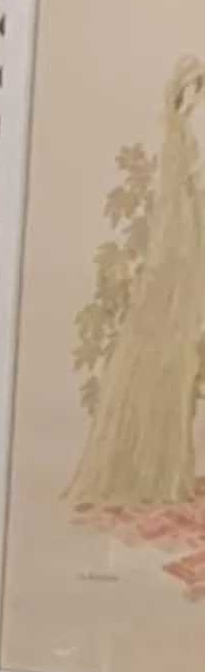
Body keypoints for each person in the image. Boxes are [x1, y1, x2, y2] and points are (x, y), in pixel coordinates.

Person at [69, 55, 205, 515]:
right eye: (192, 92)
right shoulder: (177, 143)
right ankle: (141, 469)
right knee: (159, 349)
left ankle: (165, 469)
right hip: (175, 258)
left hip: (185, 260)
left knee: (176, 356)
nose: (196, 100)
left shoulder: (183, 140)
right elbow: (176, 209)